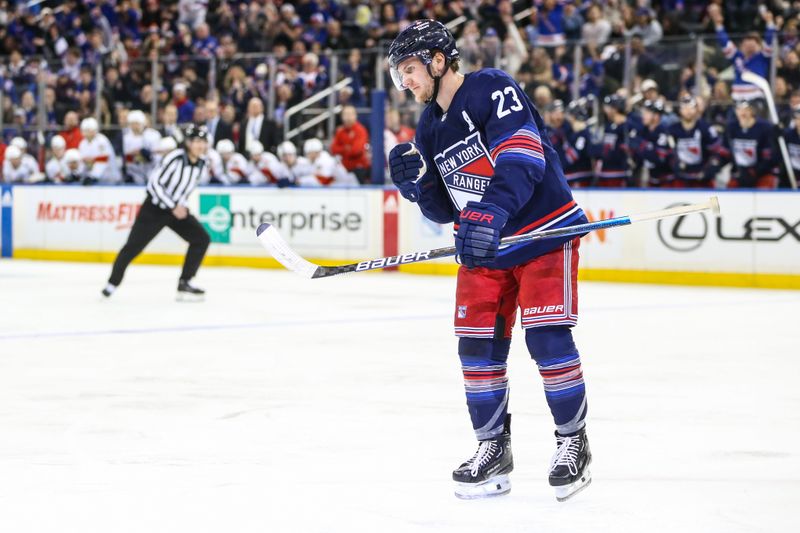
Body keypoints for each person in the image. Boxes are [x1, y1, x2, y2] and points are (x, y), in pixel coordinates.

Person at [387, 20, 591, 502]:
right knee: (476, 351)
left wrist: (492, 211)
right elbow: (446, 210)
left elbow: (523, 157)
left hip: (544, 232)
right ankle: (492, 449)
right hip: (485, 247)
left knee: (546, 340)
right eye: (400, 75)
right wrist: (419, 189)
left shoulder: (490, 87)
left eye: (411, 69)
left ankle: (572, 443)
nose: (406, 82)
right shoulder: (430, 125)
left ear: (439, 61)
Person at [102, 125, 211, 300]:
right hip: (154, 209)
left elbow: (186, 188)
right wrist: (173, 206)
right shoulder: (175, 157)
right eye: (196, 141)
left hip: (176, 210)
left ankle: (185, 282)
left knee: (201, 238)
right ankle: (112, 283)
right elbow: (153, 184)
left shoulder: (202, 162)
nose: (199, 145)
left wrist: (181, 206)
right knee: (133, 247)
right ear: (188, 143)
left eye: (202, 142)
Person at [718, 100, 778, 189]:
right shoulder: (731, 127)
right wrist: (716, 163)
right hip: (739, 173)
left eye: (746, 109)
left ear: (752, 111)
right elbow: (725, 153)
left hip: (761, 174)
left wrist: (754, 172)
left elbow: (770, 157)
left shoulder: (765, 127)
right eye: (739, 109)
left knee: (765, 190)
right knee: (730, 194)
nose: (742, 112)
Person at [667, 95, 721, 188]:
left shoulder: (706, 128)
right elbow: (668, 153)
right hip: (681, 179)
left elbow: (717, 153)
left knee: (710, 201)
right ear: (680, 110)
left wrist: (709, 170)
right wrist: (675, 165)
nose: (688, 111)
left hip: (702, 179)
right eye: (684, 108)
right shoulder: (672, 130)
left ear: (696, 109)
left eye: (691, 108)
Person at [330, 105, 371, 183]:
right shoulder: (340, 131)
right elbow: (333, 149)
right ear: (342, 117)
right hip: (344, 168)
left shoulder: (360, 130)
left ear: (355, 116)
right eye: (345, 114)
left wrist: (342, 149)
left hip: (358, 168)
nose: (348, 117)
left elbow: (356, 150)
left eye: (350, 114)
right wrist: (346, 148)